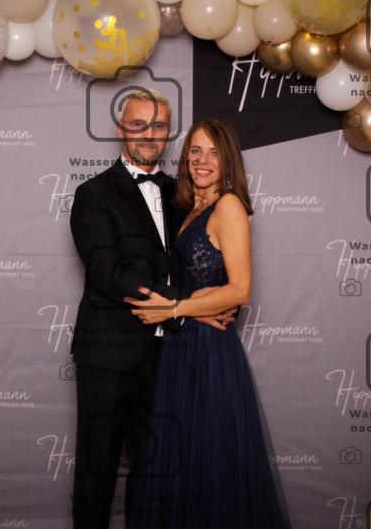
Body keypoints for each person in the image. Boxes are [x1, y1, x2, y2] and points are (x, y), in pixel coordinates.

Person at [69, 92, 238, 529]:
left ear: (168, 134)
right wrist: (186, 309)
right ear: (121, 129)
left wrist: (206, 303)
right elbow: (110, 275)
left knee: (157, 477)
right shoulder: (93, 195)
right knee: (97, 473)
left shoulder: (180, 193)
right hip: (109, 356)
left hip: (170, 358)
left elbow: (196, 264)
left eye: (159, 126)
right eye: (139, 124)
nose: (149, 134)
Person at [124, 118, 292, 528]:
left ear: (228, 161)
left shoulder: (228, 206)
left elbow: (240, 290)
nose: (203, 160)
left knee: (209, 462)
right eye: (196, 151)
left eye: (214, 153)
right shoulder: (188, 208)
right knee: (179, 459)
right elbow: (195, 281)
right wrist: (193, 302)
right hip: (179, 347)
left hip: (209, 350)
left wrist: (175, 308)